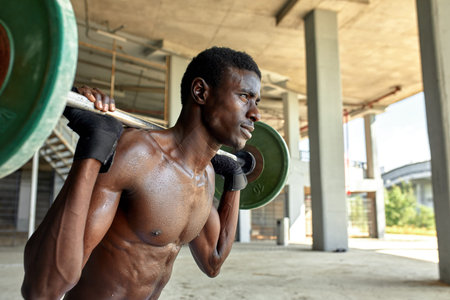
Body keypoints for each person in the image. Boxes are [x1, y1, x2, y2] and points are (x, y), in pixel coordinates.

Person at [21, 46, 261, 300]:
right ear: (200, 92)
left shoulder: (206, 177)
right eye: (244, 96)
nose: (255, 113)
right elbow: (43, 289)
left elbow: (213, 263)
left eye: (257, 101)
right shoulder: (137, 155)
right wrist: (95, 146)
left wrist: (234, 182)